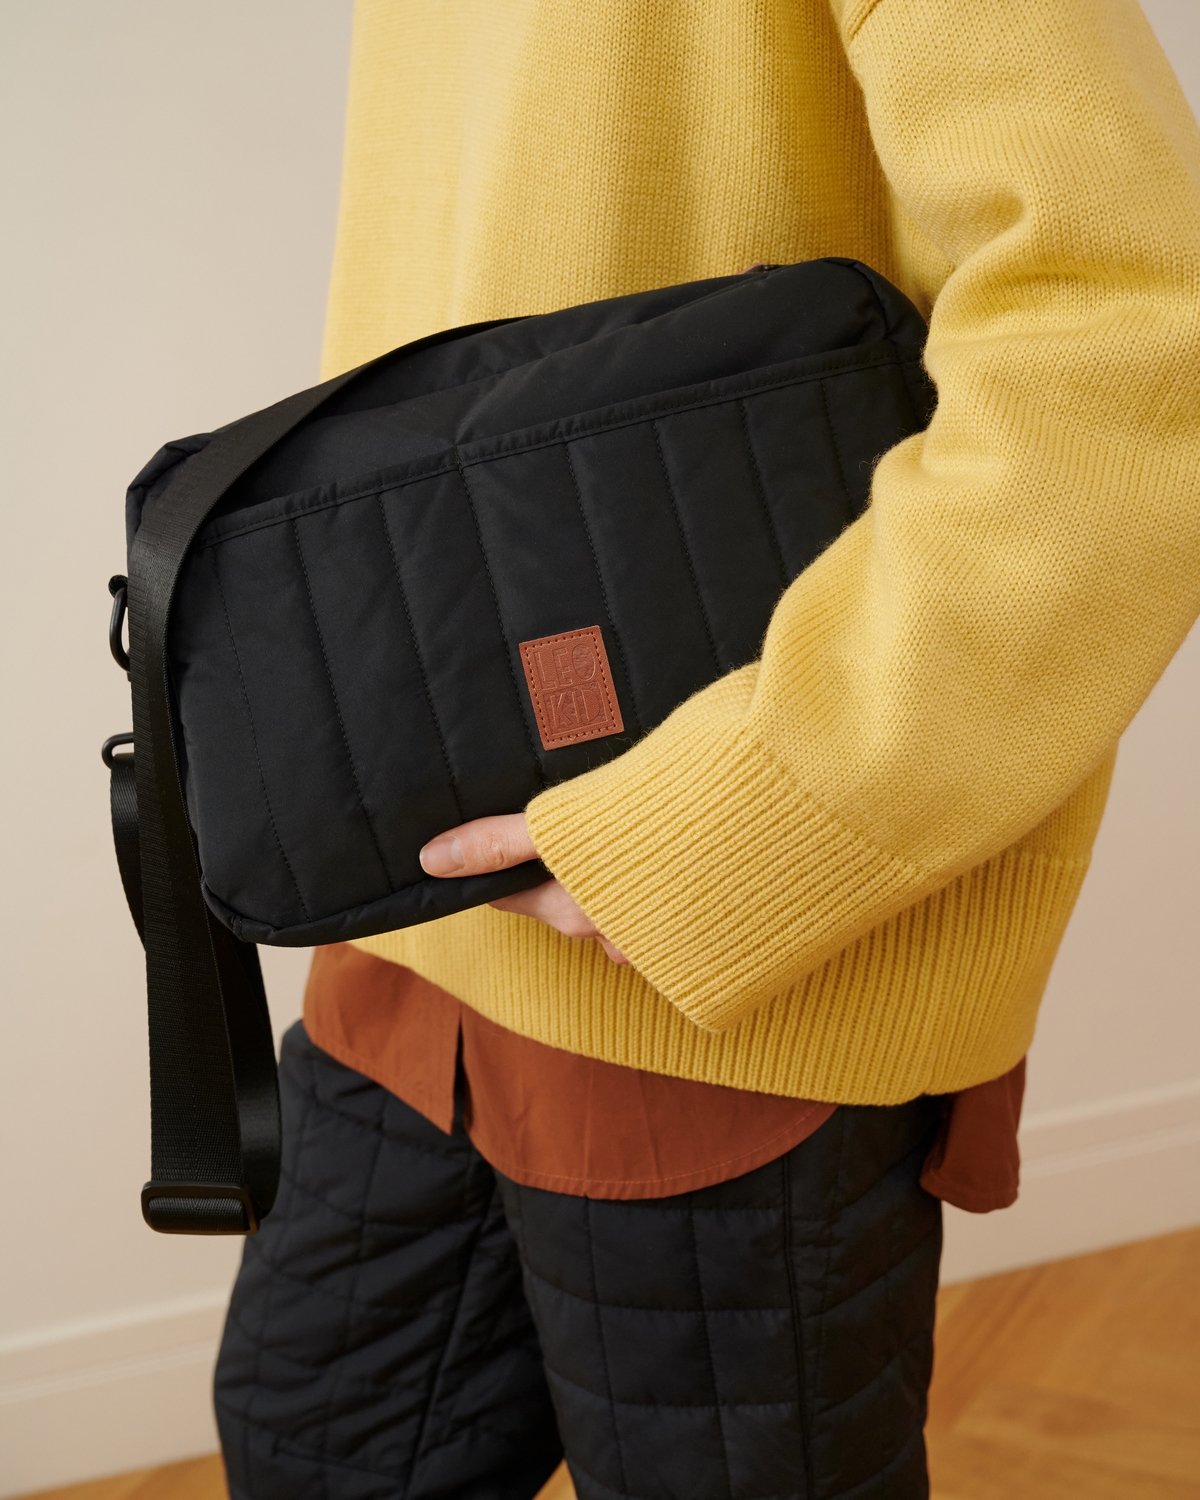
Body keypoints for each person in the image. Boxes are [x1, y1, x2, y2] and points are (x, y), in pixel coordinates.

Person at [214, 1, 1200, 1496]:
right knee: (305, 1453)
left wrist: (743, 820)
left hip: (721, 963)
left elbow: (1137, 343)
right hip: (419, 925)